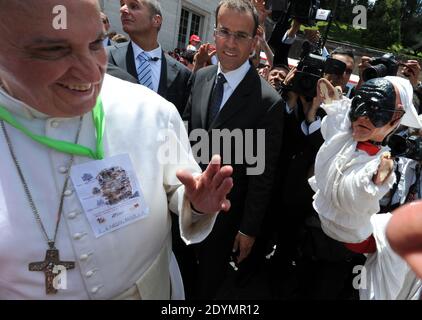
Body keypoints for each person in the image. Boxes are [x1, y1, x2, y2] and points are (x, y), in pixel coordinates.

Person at [0, 0, 233, 299]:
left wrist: (196, 201)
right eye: (55, 50)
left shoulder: (150, 110)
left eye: (96, 43)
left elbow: (178, 187)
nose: (90, 72)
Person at [181, 0, 284, 299]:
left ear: (254, 42)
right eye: (224, 31)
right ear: (214, 33)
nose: (230, 42)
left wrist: (248, 229)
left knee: (206, 287)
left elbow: (262, 175)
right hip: (184, 206)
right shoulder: (199, 78)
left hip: (226, 220)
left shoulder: (268, 102)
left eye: (241, 36)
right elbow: (186, 137)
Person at [309, 76, 422, 299]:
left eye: (374, 109)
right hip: (334, 238)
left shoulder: (378, 162)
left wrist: (373, 180)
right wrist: (335, 105)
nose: (362, 115)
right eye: (358, 104)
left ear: (396, 118)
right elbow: (337, 125)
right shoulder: (343, 139)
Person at [107, 0, 191, 115]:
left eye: (134, 6)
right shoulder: (105, 58)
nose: (122, 9)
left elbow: (182, 123)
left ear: (156, 20)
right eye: (122, 5)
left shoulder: (182, 74)